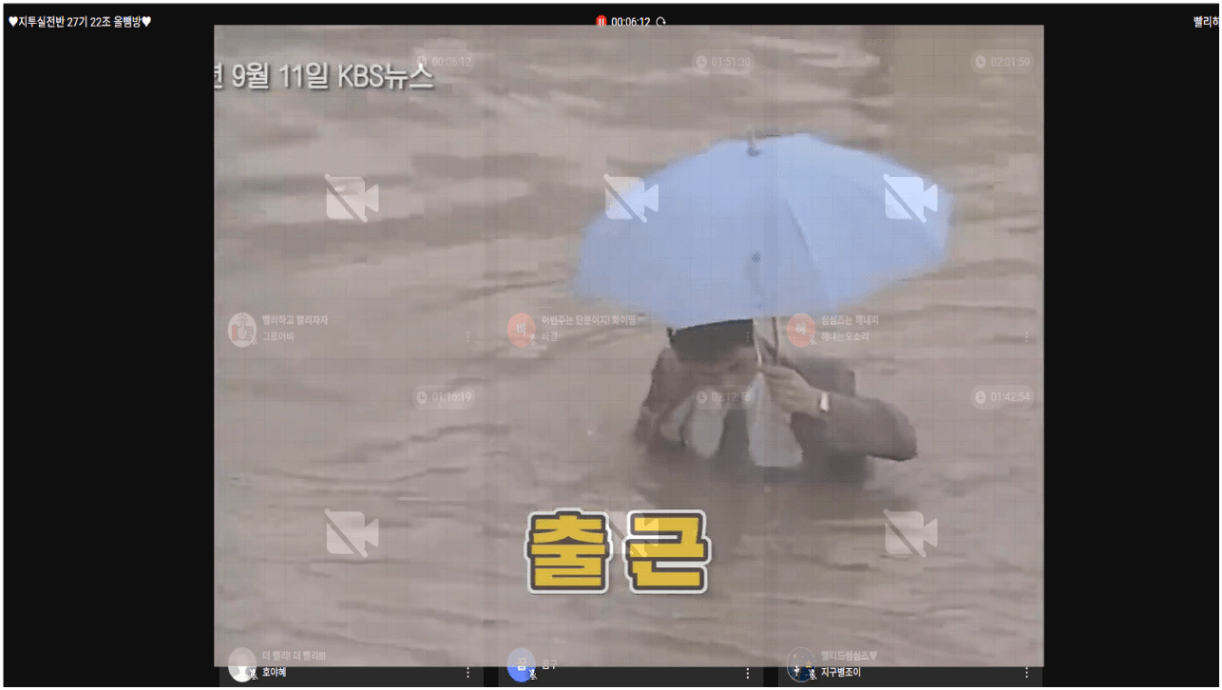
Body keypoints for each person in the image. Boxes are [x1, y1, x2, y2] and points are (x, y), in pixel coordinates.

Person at [633, 318, 917, 485]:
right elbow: (645, 447)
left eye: (735, 367)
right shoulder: (672, 371)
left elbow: (903, 441)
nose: (726, 385)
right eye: (707, 376)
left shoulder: (823, 376)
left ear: (754, 342)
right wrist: (661, 432)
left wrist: (818, 403)